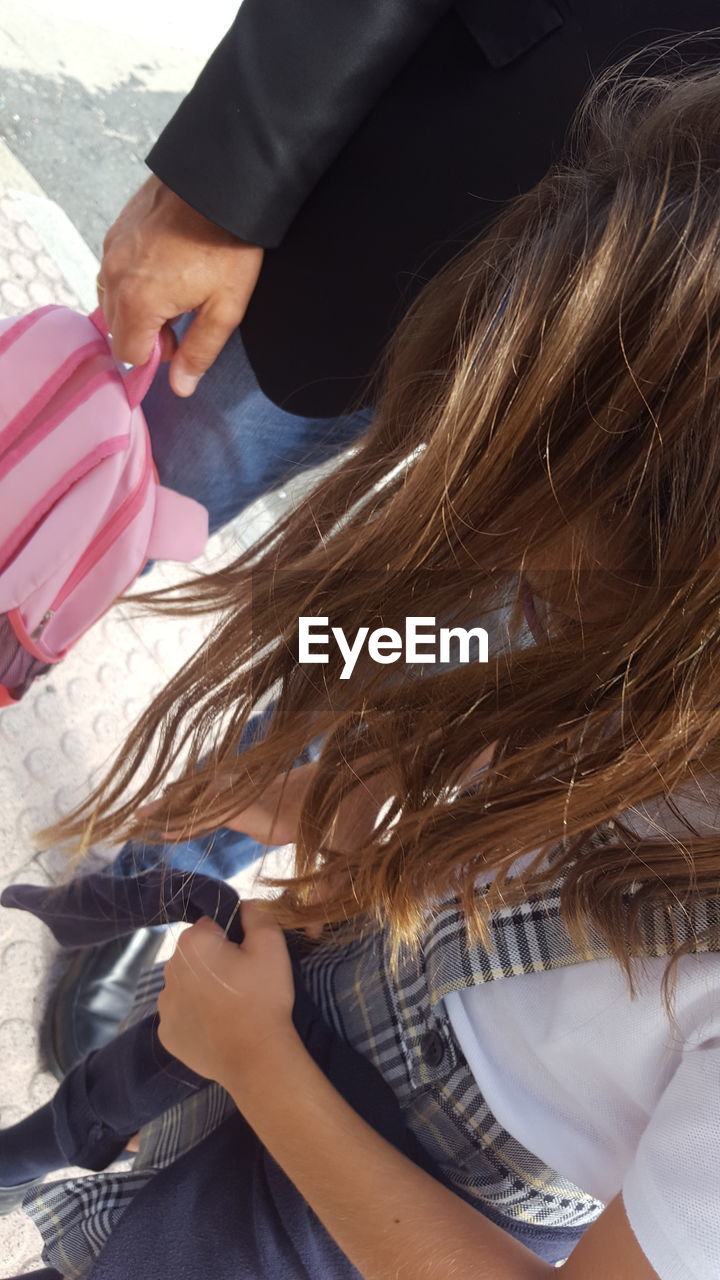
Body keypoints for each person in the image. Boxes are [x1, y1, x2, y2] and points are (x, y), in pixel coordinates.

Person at [4, 58, 720, 1278]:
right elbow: (459, 649)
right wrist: (359, 762)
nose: (520, 588)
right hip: (346, 951)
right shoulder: (596, 616)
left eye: (554, 573)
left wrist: (262, 1065)